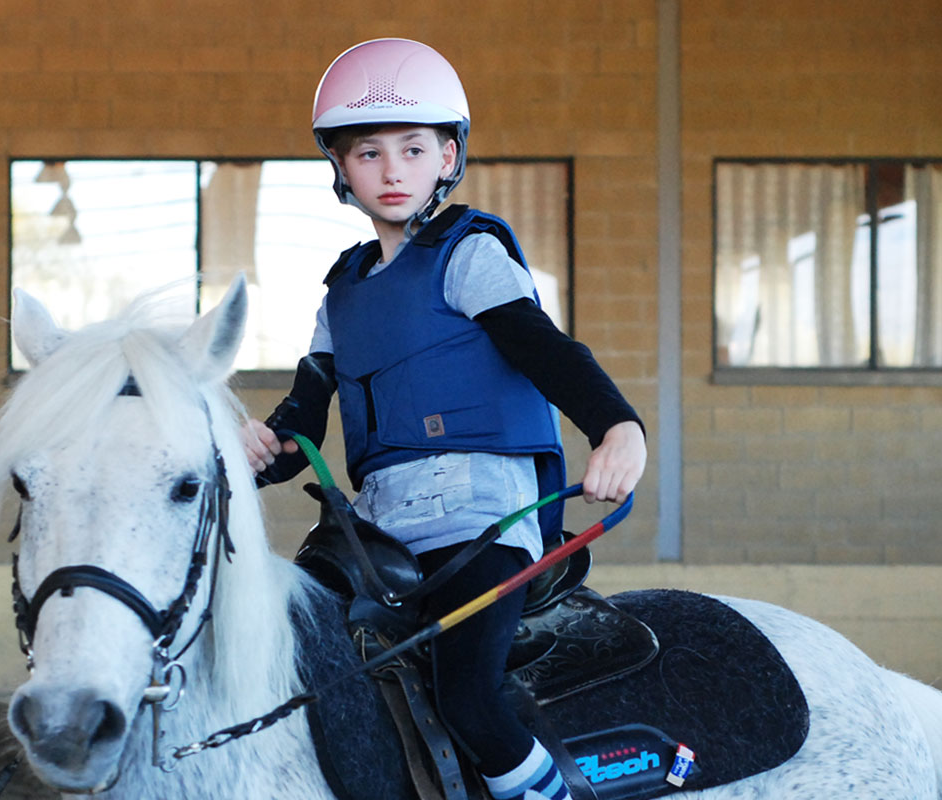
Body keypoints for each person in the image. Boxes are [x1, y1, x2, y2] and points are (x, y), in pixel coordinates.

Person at [241, 38, 645, 800]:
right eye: (367, 153)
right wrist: (259, 445)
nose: (391, 171)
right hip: (375, 532)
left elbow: (546, 350)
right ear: (341, 169)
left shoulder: (470, 254)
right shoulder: (341, 295)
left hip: (480, 520)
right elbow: (303, 421)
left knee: (469, 698)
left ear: (447, 156)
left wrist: (618, 425)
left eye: (413, 148)